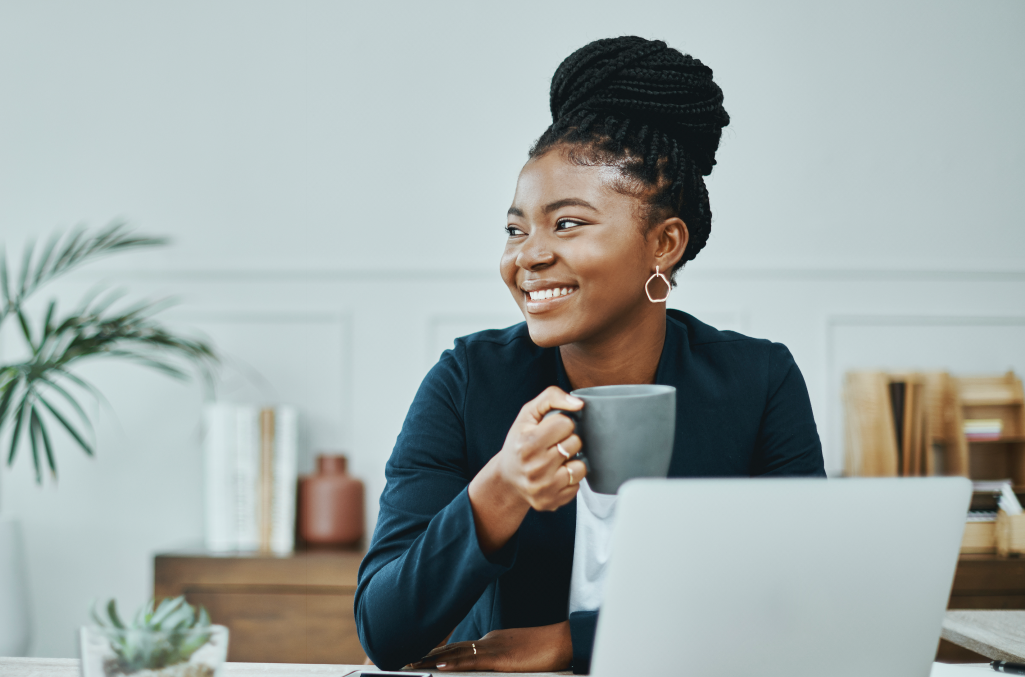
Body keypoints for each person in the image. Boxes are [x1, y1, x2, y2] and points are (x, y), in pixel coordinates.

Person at [353, 36, 825, 673]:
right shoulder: (467, 380)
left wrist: (568, 642)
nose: (529, 255)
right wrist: (499, 489)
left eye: (567, 223)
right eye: (516, 229)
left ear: (664, 243)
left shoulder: (759, 381)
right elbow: (384, 631)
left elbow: (798, 603)